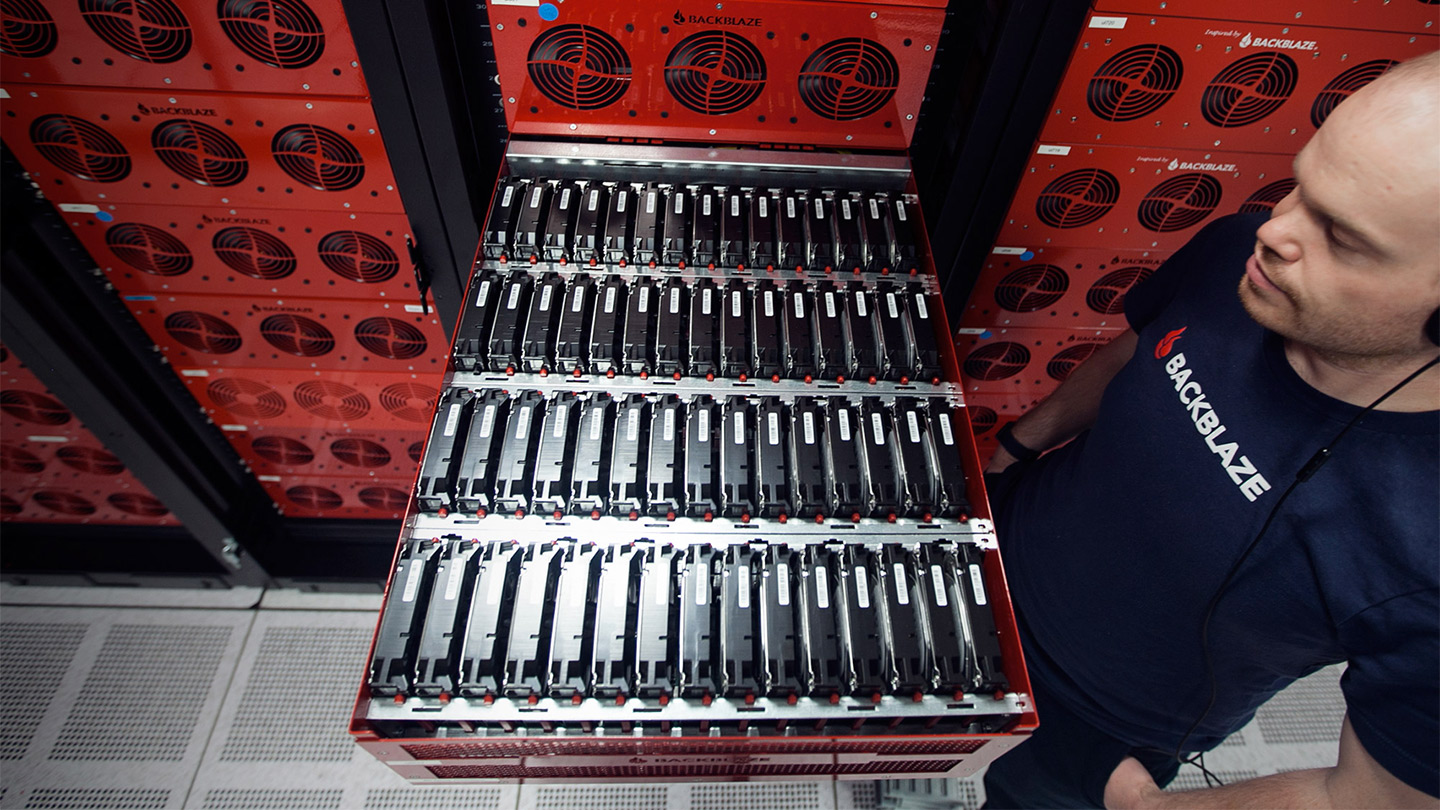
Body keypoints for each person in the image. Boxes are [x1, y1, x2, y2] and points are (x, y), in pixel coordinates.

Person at [978, 50, 1440, 809]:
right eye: (1301, 183)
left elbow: (1367, 798)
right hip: (994, 547)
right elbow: (1140, 346)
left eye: (1343, 237)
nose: (1275, 231)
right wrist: (1018, 444)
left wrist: (1136, 802)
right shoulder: (1242, 254)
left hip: (1091, 734)